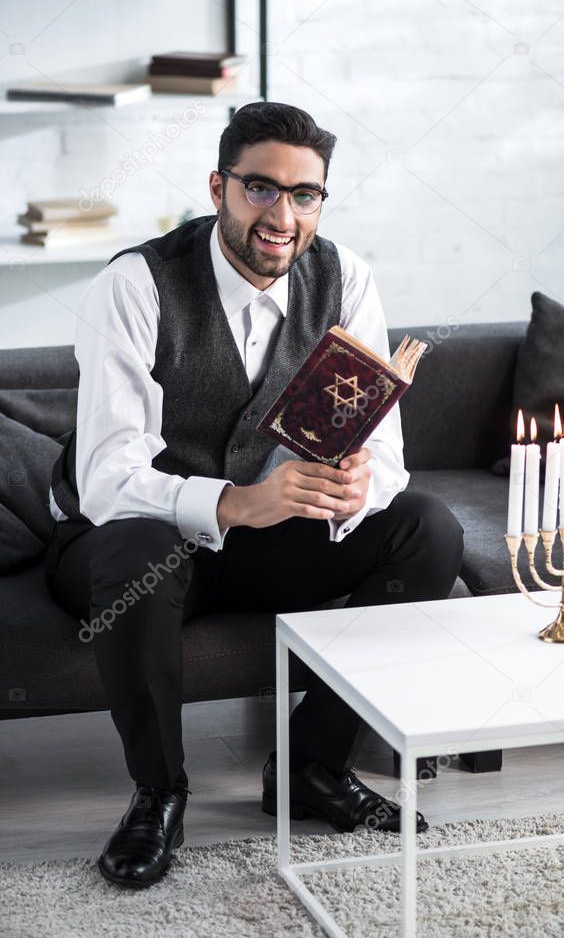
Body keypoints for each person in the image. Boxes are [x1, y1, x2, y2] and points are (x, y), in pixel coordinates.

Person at [44, 101, 465, 889]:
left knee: (426, 528)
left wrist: (353, 489)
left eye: (304, 194)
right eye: (261, 189)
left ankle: (312, 768)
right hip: (127, 544)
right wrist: (238, 503)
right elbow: (106, 478)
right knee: (140, 544)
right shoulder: (137, 283)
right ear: (218, 188)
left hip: (266, 542)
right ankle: (158, 793)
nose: (282, 214)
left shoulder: (344, 278)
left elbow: (385, 452)